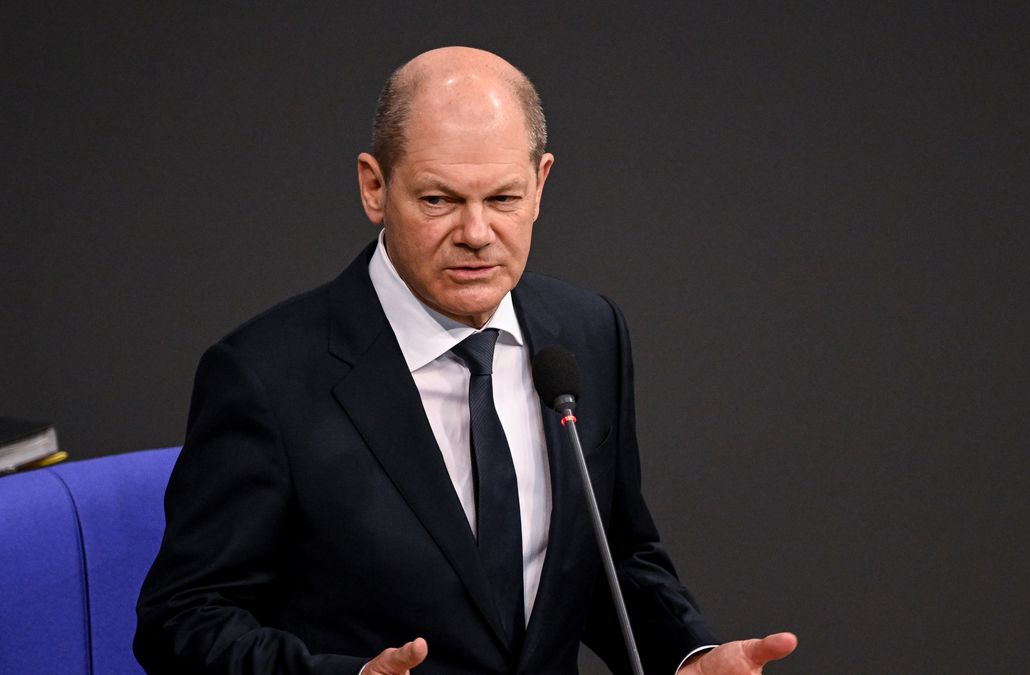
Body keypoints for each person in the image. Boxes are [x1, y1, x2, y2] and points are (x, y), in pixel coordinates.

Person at [135, 46, 796, 674]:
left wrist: (686, 653)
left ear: (540, 185)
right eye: (438, 200)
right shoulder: (265, 374)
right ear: (374, 187)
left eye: (503, 199)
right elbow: (182, 617)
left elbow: (611, 552)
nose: (477, 234)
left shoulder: (587, 334)